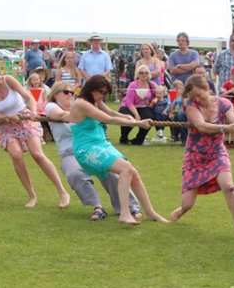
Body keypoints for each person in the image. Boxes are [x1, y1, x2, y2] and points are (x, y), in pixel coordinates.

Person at [67, 75, 169, 225]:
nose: (104, 96)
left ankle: (150, 212)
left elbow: (112, 113)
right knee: (126, 169)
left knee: (133, 173)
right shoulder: (82, 104)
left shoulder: (95, 101)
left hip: (101, 144)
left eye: (106, 93)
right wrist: (137, 123)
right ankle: (125, 213)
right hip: (86, 149)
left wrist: (126, 117)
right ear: (92, 89)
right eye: (103, 92)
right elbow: (108, 120)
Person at [0, 62, 70, 208]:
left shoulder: (8, 80)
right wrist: (8, 117)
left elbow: (29, 98)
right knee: (16, 155)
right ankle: (32, 196)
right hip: (6, 124)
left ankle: (62, 192)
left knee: (37, 154)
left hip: (24, 118)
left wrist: (34, 112)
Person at [44, 82, 142, 220]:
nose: (70, 95)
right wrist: (83, 112)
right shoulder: (52, 106)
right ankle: (97, 206)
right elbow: (61, 115)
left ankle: (130, 207)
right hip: (69, 152)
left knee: (112, 172)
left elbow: (109, 113)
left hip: (93, 148)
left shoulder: (82, 105)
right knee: (75, 174)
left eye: (72, 92)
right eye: (66, 92)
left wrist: (125, 117)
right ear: (56, 94)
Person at [169, 75, 234, 241]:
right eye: (194, 97)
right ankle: (183, 210)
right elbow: (201, 126)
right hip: (195, 156)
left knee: (228, 186)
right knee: (187, 203)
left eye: (199, 94)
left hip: (217, 152)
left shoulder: (224, 104)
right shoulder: (190, 105)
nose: (197, 99)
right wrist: (225, 128)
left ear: (207, 88)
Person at [118, 64, 157, 145]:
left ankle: (138, 140)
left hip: (144, 106)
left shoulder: (152, 85)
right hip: (129, 106)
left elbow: (157, 96)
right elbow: (129, 102)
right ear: (138, 74)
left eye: (146, 72)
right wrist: (136, 115)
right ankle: (124, 138)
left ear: (149, 74)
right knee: (128, 117)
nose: (144, 74)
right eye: (141, 72)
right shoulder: (133, 85)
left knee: (149, 117)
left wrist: (153, 101)